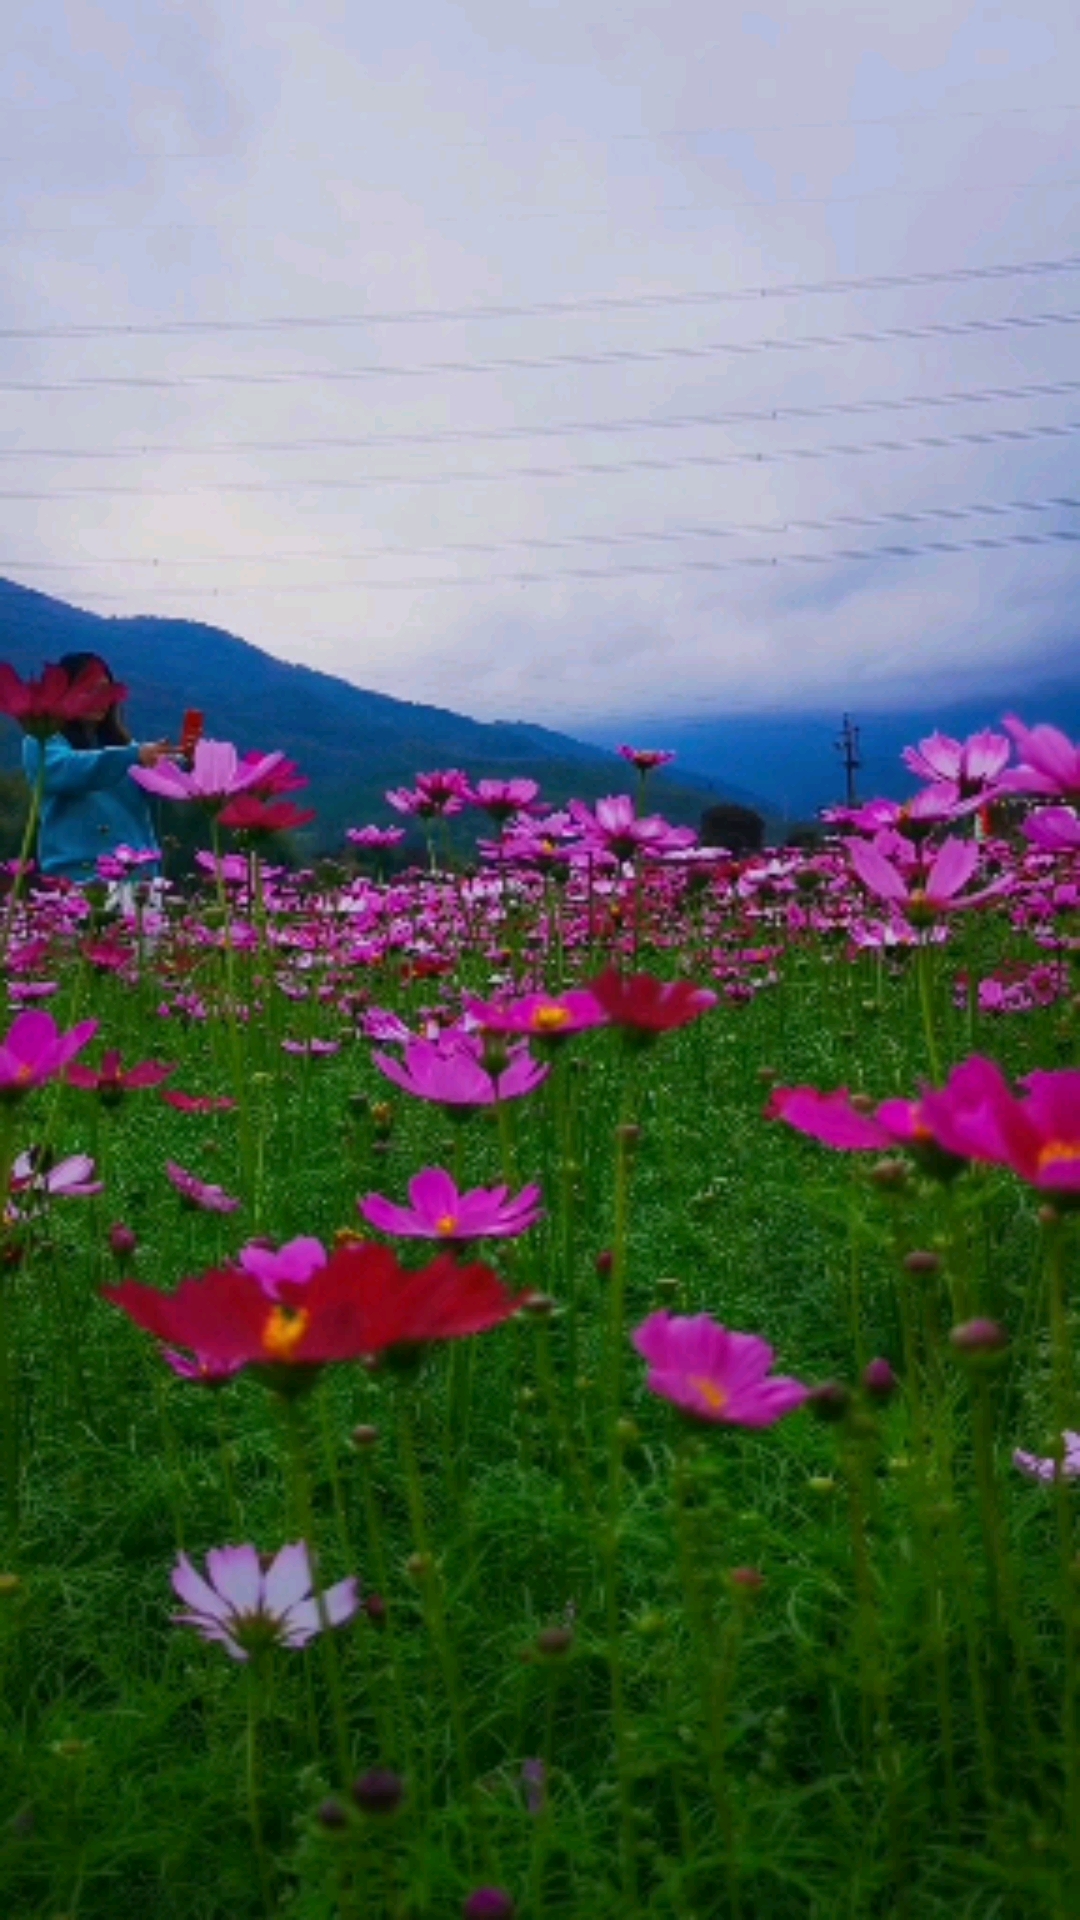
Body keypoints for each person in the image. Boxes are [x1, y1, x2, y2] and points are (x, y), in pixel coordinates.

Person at [21, 651, 175, 891]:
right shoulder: (42, 741)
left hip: (138, 881)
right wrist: (134, 756)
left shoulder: (125, 748)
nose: (99, 698)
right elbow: (67, 769)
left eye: (105, 690)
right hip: (76, 879)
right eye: (87, 689)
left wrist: (182, 763)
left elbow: (160, 786)